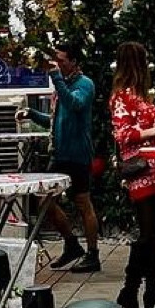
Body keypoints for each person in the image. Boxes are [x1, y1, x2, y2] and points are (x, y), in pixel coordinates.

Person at [110, 42, 155, 308]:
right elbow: (123, 135)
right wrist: (154, 130)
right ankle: (133, 290)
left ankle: (150, 295)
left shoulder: (140, 97)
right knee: (147, 235)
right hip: (140, 171)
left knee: (154, 236)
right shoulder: (122, 98)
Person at [42, 44, 101, 273]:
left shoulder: (84, 84)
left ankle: (93, 254)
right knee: (45, 200)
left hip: (77, 155)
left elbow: (74, 104)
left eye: (62, 60)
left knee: (83, 203)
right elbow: (57, 117)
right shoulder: (63, 86)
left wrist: (56, 77)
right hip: (60, 154)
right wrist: (32, 114)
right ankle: (71, 244)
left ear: (74, 62)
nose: (58, 64)